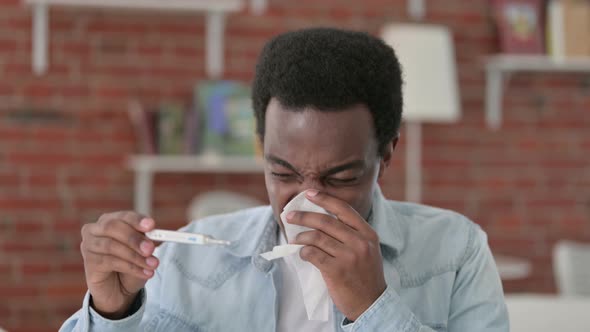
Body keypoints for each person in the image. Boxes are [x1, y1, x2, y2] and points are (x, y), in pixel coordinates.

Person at [61, 28, 508, 331]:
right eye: (282, 172)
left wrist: (373, 307)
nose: (308, 199)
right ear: (262, 147)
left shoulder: (456, 252)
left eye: (342, 176)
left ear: (387, 153)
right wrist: (111, 312)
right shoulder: (186, 261)